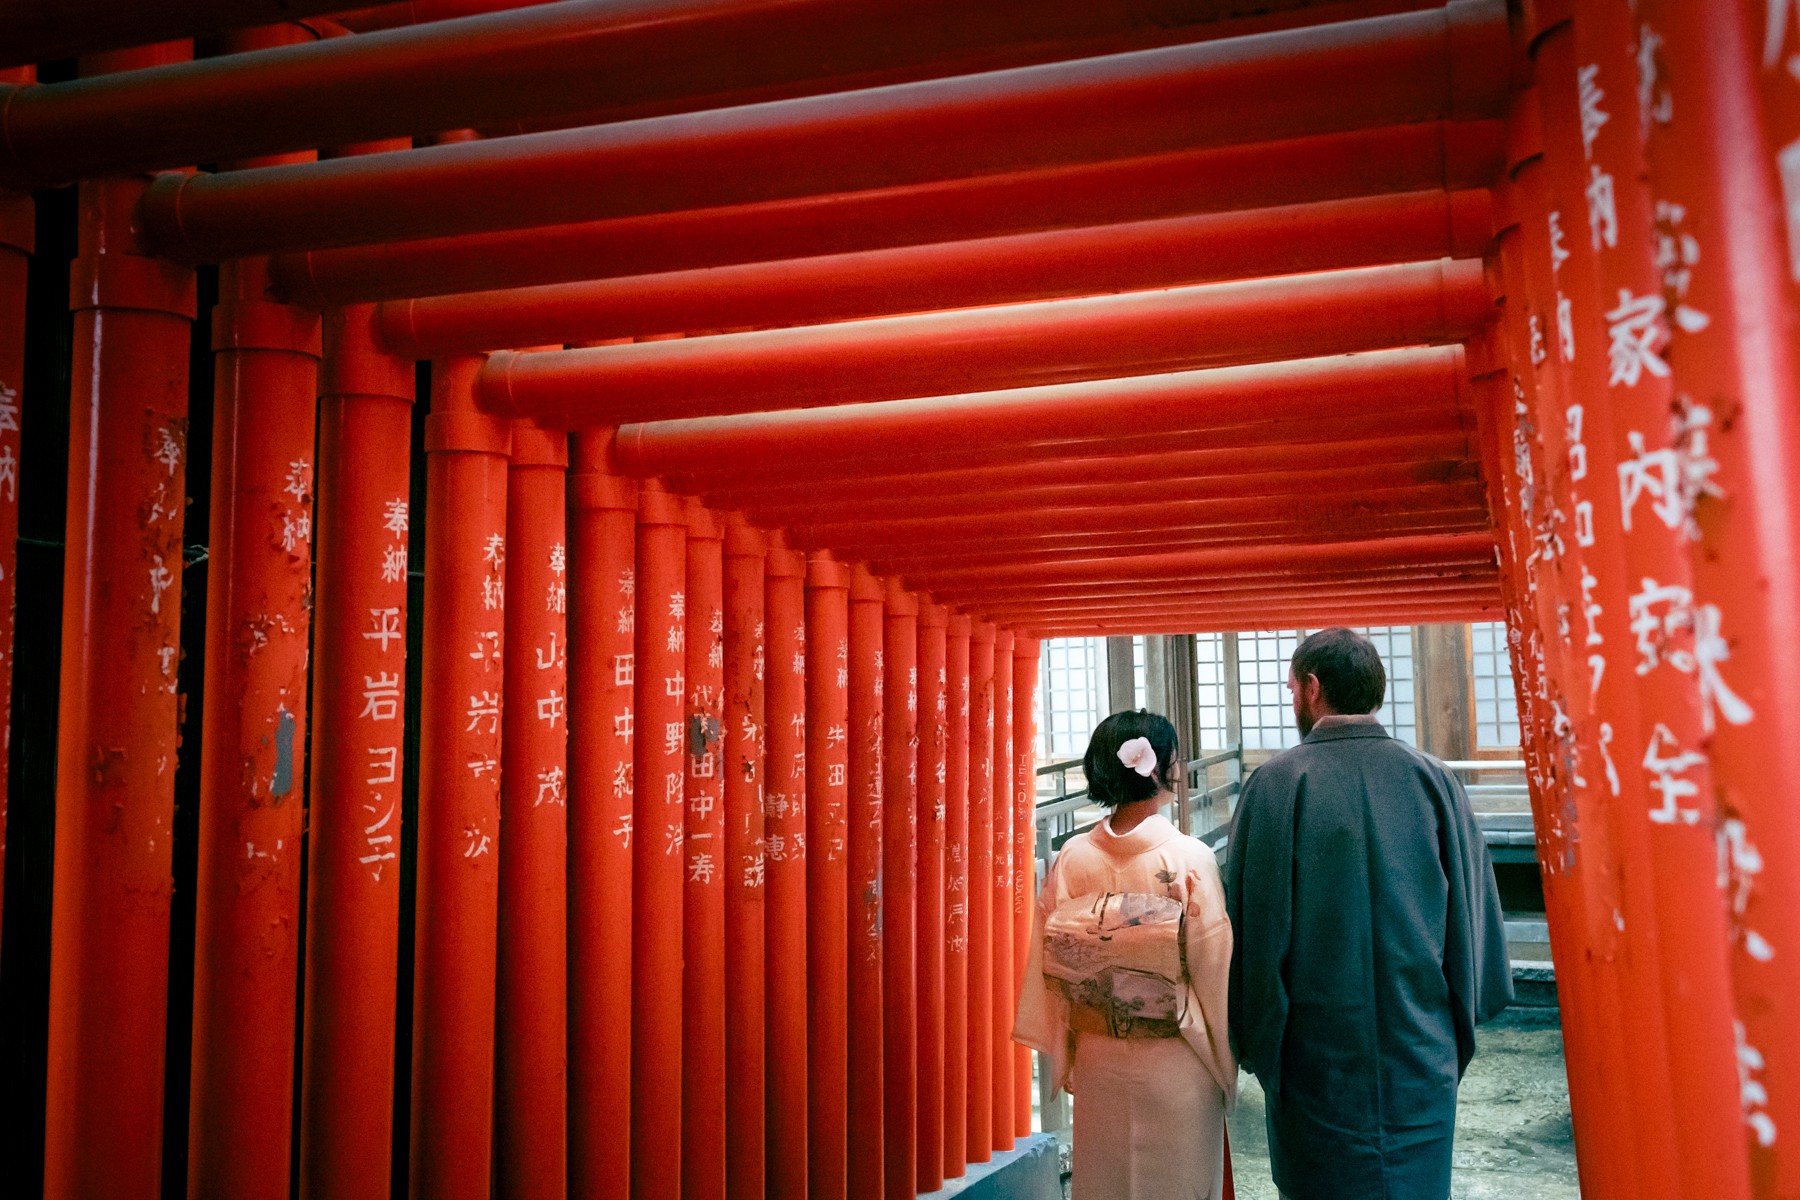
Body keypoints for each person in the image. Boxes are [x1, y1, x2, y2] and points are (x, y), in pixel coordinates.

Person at [1225, 627, 1512, 1200]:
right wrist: (1456, 1021)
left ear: (1311, 689)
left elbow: (1253, 932)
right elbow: (1473, 917)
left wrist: (1258, 1041)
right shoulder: (1435, 780)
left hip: (1316, 1056)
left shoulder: (1276, 785)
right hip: (1419, 1046)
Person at [1015, 710, 1235, 1200]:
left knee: (1108, 1184)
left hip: (1099, 1058)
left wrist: (1066, 1053)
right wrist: (1225, 1062)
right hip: (1176, 1058)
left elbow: (1052, 967)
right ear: (1156, 770)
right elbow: (1212, 965)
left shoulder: (1072, 857)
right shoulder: (1188, 858)